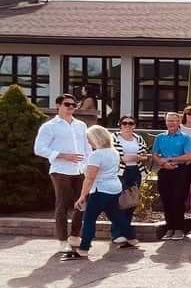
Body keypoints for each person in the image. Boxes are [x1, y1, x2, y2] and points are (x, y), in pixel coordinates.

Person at [65, 126, 132, 259]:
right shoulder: (114, 152)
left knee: (89, 219)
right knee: (116, 215)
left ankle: (84, 248)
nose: (88, 142)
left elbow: (90, 178)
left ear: (96, 139)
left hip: (100, 189)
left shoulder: (96, 155)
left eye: (89, 139)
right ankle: (132, 237)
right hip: (114, 188)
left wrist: (82, 196)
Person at [34, 94, 90, 253]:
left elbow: (87, 148)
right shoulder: (49, 126)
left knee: (82, 203)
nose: (71, 107)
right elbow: (39, 149)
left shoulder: (81, 125)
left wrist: (89, 166)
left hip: (81, 170)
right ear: (58, 105)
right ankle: (62, 240)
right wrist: (62, 155)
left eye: (74, 105)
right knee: (62, 205)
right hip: (61, 171)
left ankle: (74, 236)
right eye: (67, 104)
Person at [152, 112, 191, 240]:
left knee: (178, 199)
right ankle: (169, 228)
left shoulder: (185, 138)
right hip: (164, 170)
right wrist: (162, 163)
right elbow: (154, 154)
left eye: (174, 121)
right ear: (165, 122)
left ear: (179, 122)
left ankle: (179, 229)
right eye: (168, 121)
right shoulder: (160, 137)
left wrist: (172, 159)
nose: (171, 123)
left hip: (180, 171)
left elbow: (188, 155)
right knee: (166, 200)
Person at [112, 115, 147, 245]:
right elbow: (112, 154)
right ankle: (117, 233)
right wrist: (122, 158)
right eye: (124, 123)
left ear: (134, 125)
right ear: (120, 125)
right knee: (120, 203)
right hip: (120, 172)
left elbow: (145, 156)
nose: (127, 126)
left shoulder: (138, 138)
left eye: (130, 123)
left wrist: (138, 157)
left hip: (136, 171)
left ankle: (126, 233)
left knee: (131, 203)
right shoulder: (114, 137)